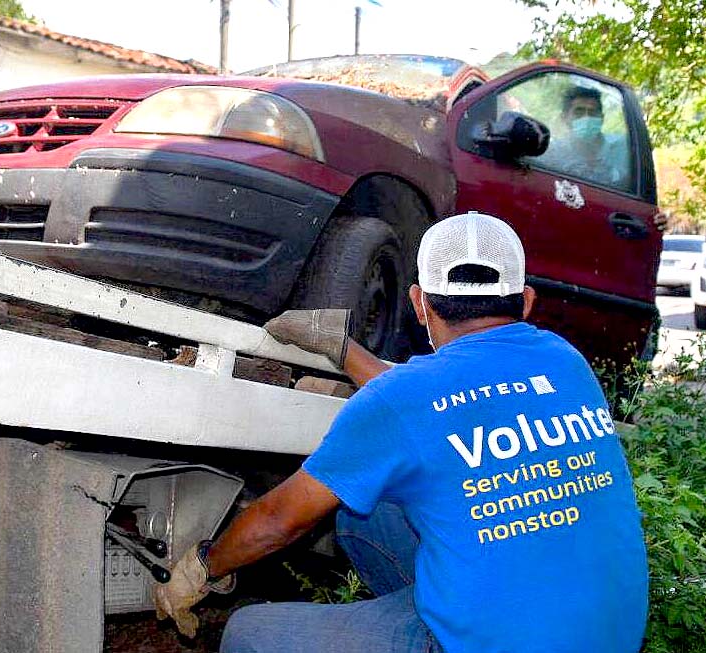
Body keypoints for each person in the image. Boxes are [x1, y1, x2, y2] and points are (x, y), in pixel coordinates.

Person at [154, 212, 648, 653]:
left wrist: (203, 567)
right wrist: (343, 350)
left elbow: (279, 520)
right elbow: (432, 406)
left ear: (419, 302)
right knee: (362, 513)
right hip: (607, 635)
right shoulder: (565, 361)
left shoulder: (407, 398)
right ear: (527, 300)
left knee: (249, 633)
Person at [537, 85, 631, 190]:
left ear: (602, 118)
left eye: (592, 112)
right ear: (565, 118)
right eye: (579, 112)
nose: (586, 118)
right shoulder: (553, 153)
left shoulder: (623, 147)